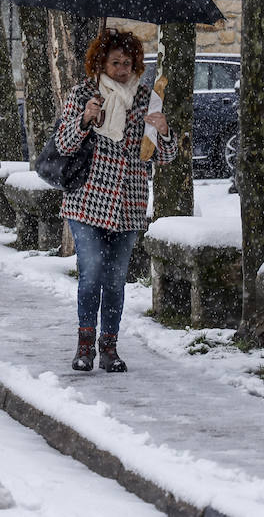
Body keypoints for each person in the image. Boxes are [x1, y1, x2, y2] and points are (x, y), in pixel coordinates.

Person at [54, 28, 177, 372]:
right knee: (92, 273)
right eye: (115, 62)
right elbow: (63, 146)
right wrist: (84, 120)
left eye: (128, 63)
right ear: (101, 63)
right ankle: (84, 347)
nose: (122, 69)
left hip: (129, 204)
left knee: (115, 279)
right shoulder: (83, 94)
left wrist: (164, 131)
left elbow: (164, 157)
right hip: (87, 202)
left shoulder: (147, 99)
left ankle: (109, 348)